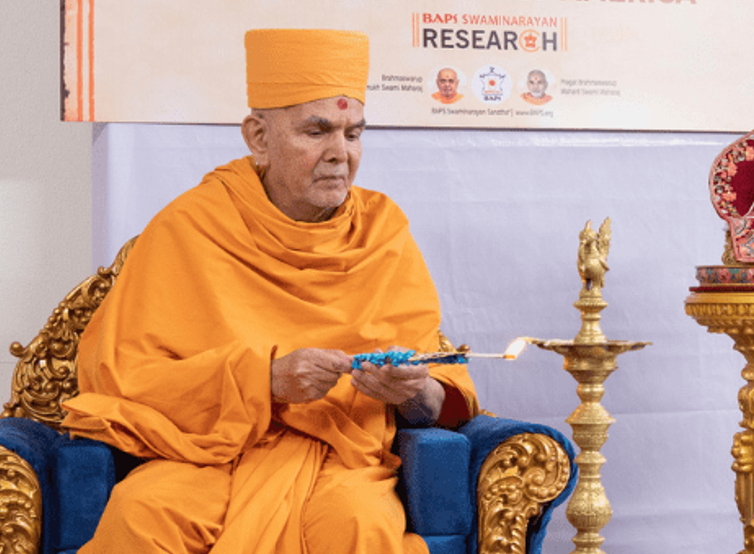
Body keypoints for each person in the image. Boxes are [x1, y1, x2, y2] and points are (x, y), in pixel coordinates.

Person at [62, 29, 479, 554]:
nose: (339, 154)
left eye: (353, 134)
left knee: (358, 524)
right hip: (204, 454)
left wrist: (414, 391)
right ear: (258, 136)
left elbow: (439, 390)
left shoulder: (383, 230)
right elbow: (125, 377)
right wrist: (264, 380)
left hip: (340, 455)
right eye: (317, 131)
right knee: (143, 515)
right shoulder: (192, 226)